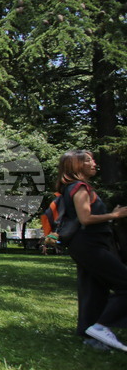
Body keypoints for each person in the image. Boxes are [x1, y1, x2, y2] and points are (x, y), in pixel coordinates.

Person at [56, 149, 127, 351]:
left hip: (85, 244)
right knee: (124, 283)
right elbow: (86, 218)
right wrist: (116, 215)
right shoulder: (79, 187)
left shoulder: (73, 188)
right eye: (88, 160)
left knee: (94, 289)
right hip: (89, 244)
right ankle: (101, 326)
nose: (94, 163)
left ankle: (90, 335)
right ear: (76, 166)